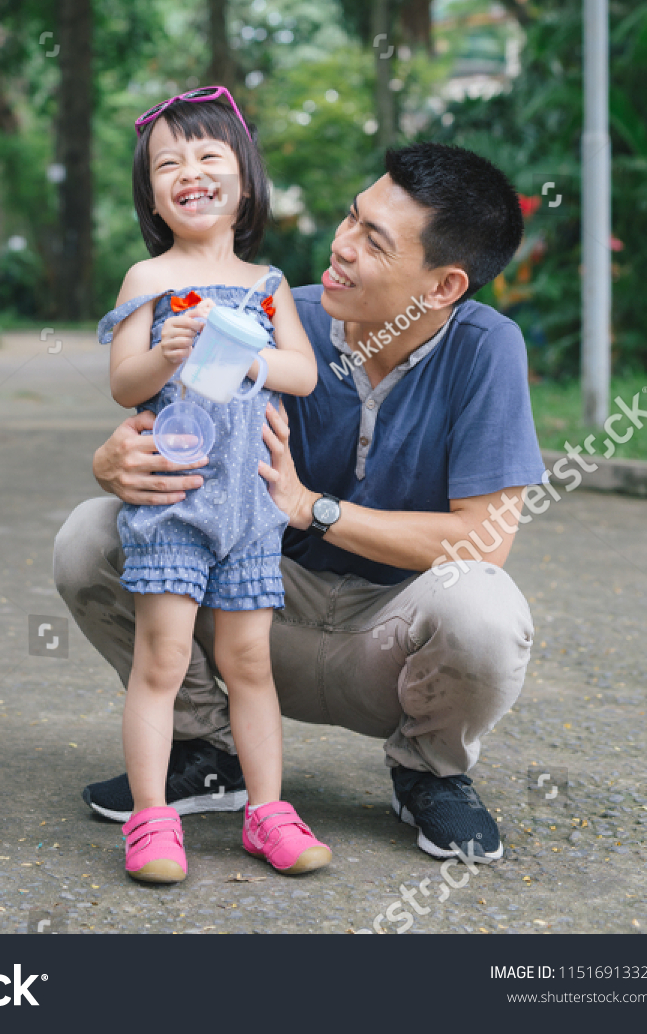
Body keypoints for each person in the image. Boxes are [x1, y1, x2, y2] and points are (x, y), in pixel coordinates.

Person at [55, 140, 544, 864]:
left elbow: (484, 540)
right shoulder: (271, 315)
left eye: (372, 240)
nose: (340, 245)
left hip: (386, 640)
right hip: (258, 610)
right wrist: (111, 463)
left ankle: (427, 772)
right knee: (92, 536)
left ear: (443, 286)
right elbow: (166, 409)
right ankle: (203, 747)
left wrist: (309, 506)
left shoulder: (485, 348)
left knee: (486, 609)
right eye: (351, 218)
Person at [96, 85, 331, 885]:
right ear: (152, 195)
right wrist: (167, 353)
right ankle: (152, 819)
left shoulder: (267, 282)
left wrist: (252, 354)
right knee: (160, 661)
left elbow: (299, 372)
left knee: (249, 663)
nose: (188, 172)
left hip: (252, 508)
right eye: (168, 164)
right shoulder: (147, 277)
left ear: (243, 179)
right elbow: (125, 384)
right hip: (174, 504)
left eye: (207, 156)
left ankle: (266, 812)